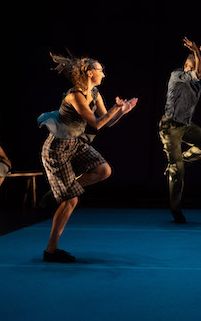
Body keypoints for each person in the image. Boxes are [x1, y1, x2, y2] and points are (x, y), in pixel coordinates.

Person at [39, 53, 137, 263]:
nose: (103, 74)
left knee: (104, 170)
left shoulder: (95, 92)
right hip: (56, 149)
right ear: (91, 72)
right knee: (71, 200)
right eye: (101, 70)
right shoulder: (75, 96)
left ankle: (61, 190)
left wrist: (122, 111)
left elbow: (108, 122)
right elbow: (96, 124)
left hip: (75, 144)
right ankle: (51, 250)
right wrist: (115, 109)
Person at [158, 37, 201, 223]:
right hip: (169, 127)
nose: (187, 68)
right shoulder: (177, 75)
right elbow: (199, 74)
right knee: (179, 174)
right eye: (186, 65)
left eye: (190, 66)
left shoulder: (196, 81)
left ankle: (177, 162)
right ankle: (176, 211)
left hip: (186, 125)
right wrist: (196, 53)